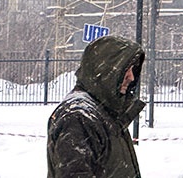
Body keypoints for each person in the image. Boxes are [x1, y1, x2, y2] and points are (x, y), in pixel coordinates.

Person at [47, 35, 145, 178]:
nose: (131, 77)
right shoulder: (79, 117)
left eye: (133, 69)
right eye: (126, 69)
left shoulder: (104, 112)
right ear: (106, 69)